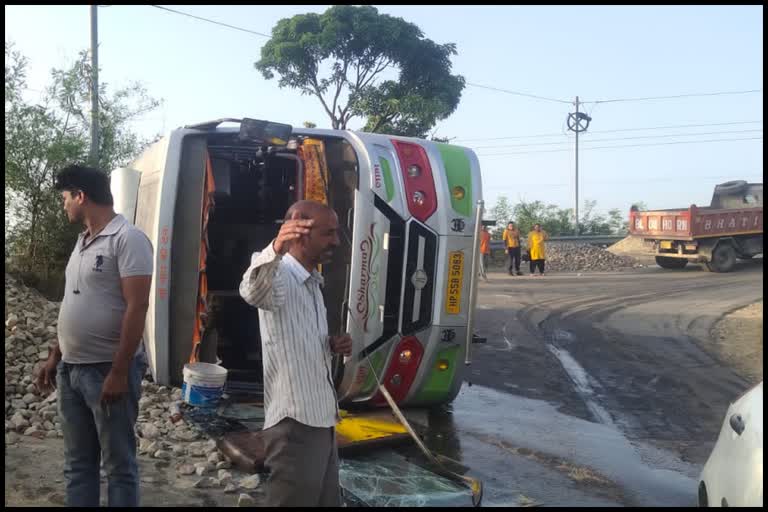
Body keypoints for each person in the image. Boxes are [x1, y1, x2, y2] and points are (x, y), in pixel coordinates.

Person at [36, 164, 154, 507]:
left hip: (107, 371)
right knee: (78, 464)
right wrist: (55, 356)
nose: (64, 205)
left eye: (65, 198)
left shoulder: (127, 239)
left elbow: (138, 307)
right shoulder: (82, 241)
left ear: (81, 196)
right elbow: (74, 302)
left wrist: (119, 373)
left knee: (118, 466)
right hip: (71, 371)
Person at [239, 200, 353, 507]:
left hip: (321, 418)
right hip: (296, 423)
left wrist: (329, 344)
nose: (336, 241)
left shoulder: (311, 280)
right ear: (300, 233)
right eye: (328, 233)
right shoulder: (279, 275)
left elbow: (294, 334)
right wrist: (276, 245)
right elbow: (252, 292)